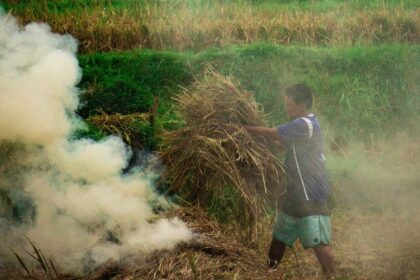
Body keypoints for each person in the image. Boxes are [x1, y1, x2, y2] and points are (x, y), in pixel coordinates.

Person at [238, 84, 336, 277]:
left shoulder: (305, 124)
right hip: (296, 194)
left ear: (301, 105)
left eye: (290, 105)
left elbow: (271, 133)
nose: (287, 109)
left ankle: (333, 275)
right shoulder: (301, 127)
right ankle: (269, 272)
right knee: (279, 237)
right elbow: (279, 144)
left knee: (319, 243)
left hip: (310, 194)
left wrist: (241, 128)